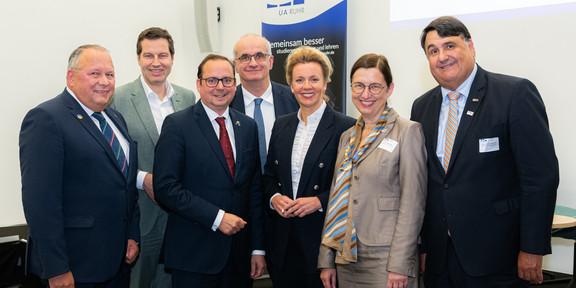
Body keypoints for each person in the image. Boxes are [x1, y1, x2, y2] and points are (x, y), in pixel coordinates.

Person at [411, 16, 559, 287]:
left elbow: (540, 178)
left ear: (471, 47)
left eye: (450, 46)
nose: (442, 56)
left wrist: (532, 247)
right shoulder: (421, 107)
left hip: (499, 257)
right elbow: (428, 185)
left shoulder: (513, 94)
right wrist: (424, 248)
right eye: (433, 51)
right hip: (440, 260)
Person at [19, 45, 140, 287]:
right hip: (74, 269)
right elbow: (41, 203)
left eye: (110, 74)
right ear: (71, 77)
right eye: (95, 73)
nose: (104, 82)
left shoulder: (115, 119)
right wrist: (57, 269)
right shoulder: (46, 118)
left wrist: (131, 235)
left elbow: (124, 185)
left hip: (116, 264)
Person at [153, 54, 266, 288]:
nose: (220, 87)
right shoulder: (177, 125)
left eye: (227, 80)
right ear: (199, 84)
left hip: (239, 256)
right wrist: (217, 218)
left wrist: (257, 247)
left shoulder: (247, 126)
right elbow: (165, 187)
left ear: (235, 85)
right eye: (212, 80)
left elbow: (253, 190)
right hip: (194, 256)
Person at [319, 53, 427, 288]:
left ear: (389, 89)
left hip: (387, 259)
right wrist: (327, 258)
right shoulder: (347, 137)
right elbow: (338, 197)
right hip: (345, 255)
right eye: (359, 86)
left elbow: (413, 204)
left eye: (374, 86)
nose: (365, 94)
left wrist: (400, 264)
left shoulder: (408, 132)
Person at [110, 27, 196, 288]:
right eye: (148, 56)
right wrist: (141, 178)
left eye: (162, 55)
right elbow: (109, 157)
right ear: (138, 58)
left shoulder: (188, 98)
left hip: (181, 216)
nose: (156, 63)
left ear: (172, 58)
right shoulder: (117, 98)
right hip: (140, 217)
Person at [262, 46, 355, 288]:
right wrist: (274, 198)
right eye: (299, 80)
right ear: (290, 85)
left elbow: (354, 185)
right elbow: (269, 176)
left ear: (325, 83)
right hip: (282, 243)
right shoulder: (281, 125)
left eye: (314, 79)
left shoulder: (347, 127)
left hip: (323, 242)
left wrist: (319, 201)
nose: (307, 86)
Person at [230, 34, 299, 171]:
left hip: (285, 188)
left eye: (260, 56)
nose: (253, 63)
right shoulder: (226, 104)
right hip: (242, 189)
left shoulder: (295, 100)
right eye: (245, 57)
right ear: (235, 66)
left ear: (271, 61)